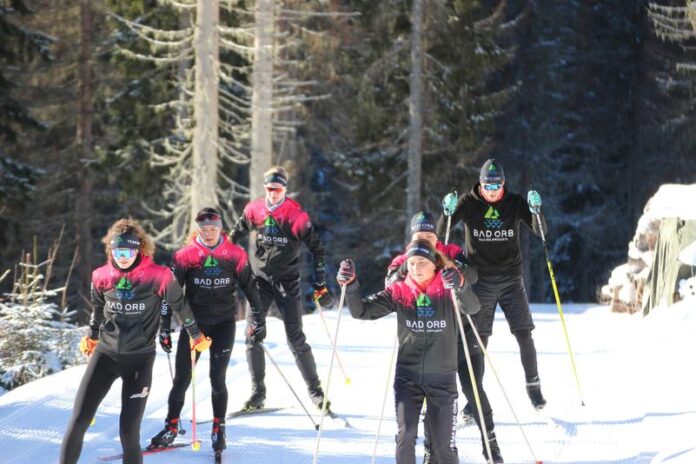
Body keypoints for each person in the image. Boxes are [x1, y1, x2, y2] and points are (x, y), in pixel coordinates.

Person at [60, 219, 211, 464]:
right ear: (111, 251)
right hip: (105, 357)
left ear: (139, 250)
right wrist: (92, 336)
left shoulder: (159, 276)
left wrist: (196, 335)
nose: (123, 257)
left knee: (128, 432)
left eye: (128, 252)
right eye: (117, 252)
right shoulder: (101, 276)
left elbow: (180, 306)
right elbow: (98, 310)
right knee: (78, 422)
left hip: (139, 361)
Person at [338, 240, 479, 464]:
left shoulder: (447, 289)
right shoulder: (399, 290)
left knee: (444, 449)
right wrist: (351, 285)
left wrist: (460, 285)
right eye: (412, 263)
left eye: (422, 262)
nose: (416, 268)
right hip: (408, 378)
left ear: (435, 264)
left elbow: (473, 308)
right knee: (405, 437)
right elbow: (361, 311)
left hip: (442, 380)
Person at [387, 212, 503, 463]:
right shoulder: (406, 259)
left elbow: (473, 275)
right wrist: (403, 272)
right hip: (433, 338)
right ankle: (433, 450)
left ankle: (490, 444)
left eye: (430, 235)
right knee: (430, 394)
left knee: (472, 387)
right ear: (412, 238)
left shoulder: (450, 250)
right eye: (420, 236)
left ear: (436, 237)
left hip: (463, 331)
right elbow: (391, 282)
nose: (426, 240)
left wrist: (454, 269)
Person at [149, 207, 265, 455]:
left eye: (213, 229)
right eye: (204, 229)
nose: (209, 233)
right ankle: (170, 427)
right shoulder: (185, 255)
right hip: (194, 326)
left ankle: (218, 428)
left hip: (224, 324)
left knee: (217, 378)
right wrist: (164, 327)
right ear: (197, 229)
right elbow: (171, 292)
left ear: (220, 227)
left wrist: (259, 318)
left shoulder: (235, 254)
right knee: (182, 378)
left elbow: (250, 287)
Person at [436, 158, 547, 410]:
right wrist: (447, 212)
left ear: (503, 184)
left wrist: (537, 210)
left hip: (511, 280)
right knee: (479, 339)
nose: (492, 192)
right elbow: (444, 231)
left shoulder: (515, 202)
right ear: (481, 183)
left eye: (496, 187)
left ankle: (534, 386)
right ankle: (474, 398)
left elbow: (541, 232)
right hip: (480, 280)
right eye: (488, 187)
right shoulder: (469, 202)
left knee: (523, 333)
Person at [231, 165, 334, 410]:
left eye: (277, 189)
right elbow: (235, 235)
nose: (273, 193)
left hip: (286, 281)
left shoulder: (295, 216)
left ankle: (316, 391)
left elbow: (318, 250)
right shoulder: (254, 209)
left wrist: (319, 283)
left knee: (295, 338)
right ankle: (258, 393)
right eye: (269, 188)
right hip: (258, 280)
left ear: (285, 189)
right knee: (252, 335)